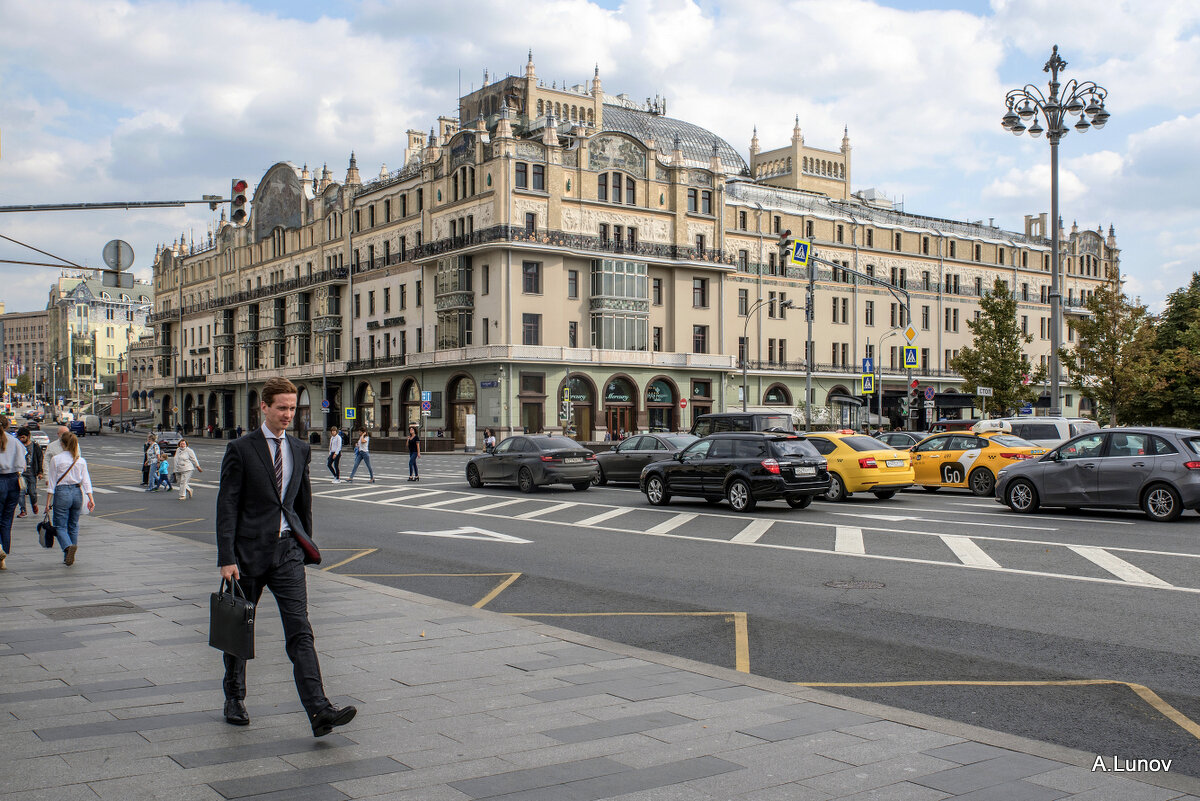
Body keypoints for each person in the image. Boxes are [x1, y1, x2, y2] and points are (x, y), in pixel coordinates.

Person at [216, 376, 356, 737]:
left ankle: (319, 710)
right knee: (238, 627)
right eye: (281, 408)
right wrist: (226, 555)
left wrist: (305, 542)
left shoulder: (299, 448)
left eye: (292, 409)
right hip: (246, 554)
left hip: (287, 552)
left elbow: (300, 500)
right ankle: (234, 697)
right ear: (263, 407)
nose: (287, 415)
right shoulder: (241, 448)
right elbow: (227, 505)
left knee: (300, 632)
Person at [45, 431, 95, 567]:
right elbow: (86, 481)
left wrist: (48, 502)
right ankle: (69, 555)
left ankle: (67, 548)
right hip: (77, 493)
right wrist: (91, 498)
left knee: (60, 525)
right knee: (73, 525)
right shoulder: (80, 460)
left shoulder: (57, 459)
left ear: (62, 444)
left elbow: (52, 483)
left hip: (62, 493)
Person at [0, 415, 28, 571]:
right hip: (14, 481)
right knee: (7, 520)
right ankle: (3, 553)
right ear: (6, 426)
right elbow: (23, 464)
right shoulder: (15, 442)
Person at [15, 427, 43, 518]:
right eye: (20, 438)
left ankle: (34, 504)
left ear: (28, 436)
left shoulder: (35, 446)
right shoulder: (18, 446)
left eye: (23, 437)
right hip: (20, 474)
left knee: (32, 492)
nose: (21, 439)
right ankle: (23, 510)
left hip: (32, 473)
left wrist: (40, 472)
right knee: (20, 492)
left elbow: (40, 459)